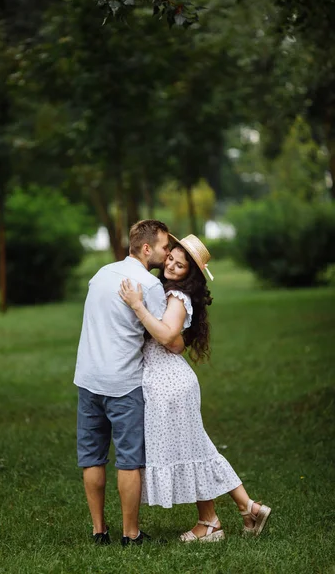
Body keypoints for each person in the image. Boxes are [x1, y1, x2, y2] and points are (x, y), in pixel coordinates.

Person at [119, 234, 271, 542]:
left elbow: (165, 335)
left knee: (194, 451)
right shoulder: (168, 291)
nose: (172, 266)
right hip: (168, 380)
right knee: (198, 450)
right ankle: (244, 509)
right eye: (171, 259)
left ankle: (213, 522)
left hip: (169, 383)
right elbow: (173, 342)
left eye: (181, 264)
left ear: (192, 273)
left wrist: (136, 306)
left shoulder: (178, 297)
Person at [74, 220, 184, 547]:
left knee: (92, 457)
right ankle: (130, 533)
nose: (167, 256)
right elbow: (168, 337)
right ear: (147, 248)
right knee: (129, 460)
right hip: (124, 382)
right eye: (165, 248)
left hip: (88, 378)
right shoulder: (148, 286)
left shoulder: (101, 274)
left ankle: (98, 531)